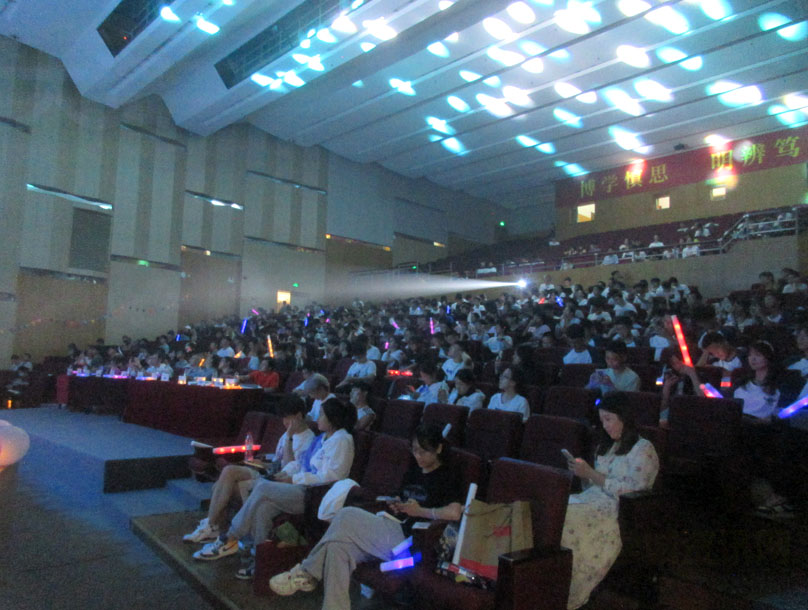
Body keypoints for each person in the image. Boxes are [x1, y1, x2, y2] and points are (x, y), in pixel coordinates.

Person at [268, 424, 464, 608]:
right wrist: (396, 502)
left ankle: (306, 571)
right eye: (414, 450)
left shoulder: (448, 476)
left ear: (438, 449)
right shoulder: (414, 470)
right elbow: (403, 497)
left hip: (410, 540)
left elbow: (455, 513)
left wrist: (419, 511)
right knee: (337, 548)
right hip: (391, 525)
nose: (418, 456)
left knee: (346, 515)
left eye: (424, 451)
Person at [193, 398, 356, 562]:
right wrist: (284, 474)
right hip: (302, 487)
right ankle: (259, 559)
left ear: (332, 418)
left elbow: (332, 476)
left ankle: (229, 537)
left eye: (321, 415)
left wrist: (293, 479)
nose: (317, 418)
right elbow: (301, 464)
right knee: (264, 508)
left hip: (316, 495)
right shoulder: (322, 438)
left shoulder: (343, 440)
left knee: (262, 487)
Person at [562, 393, 659, 609]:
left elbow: (634, 491)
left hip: (620, 509)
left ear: (624, 418)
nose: (605, 426)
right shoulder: (606, 446)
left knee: (567, 517)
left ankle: (568, 591)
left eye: (609, 419)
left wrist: (591, 474)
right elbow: (593, 486)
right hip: (593, 499)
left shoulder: (643, 449)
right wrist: (583, 474)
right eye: (602, 420)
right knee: (559, 508)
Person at [183, 395, 315, 544]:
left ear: (298, 416)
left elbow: (290, 466)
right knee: (227, 473)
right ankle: (214, 527)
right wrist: (262, 463)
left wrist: (290, 439)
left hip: (280, 480)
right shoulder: (286, 433)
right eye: (283, 418)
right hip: (269, 471)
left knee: (223, 483)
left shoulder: (308, 439)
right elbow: (277, 461)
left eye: (287, 418)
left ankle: (214, 528)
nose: (284, 422)